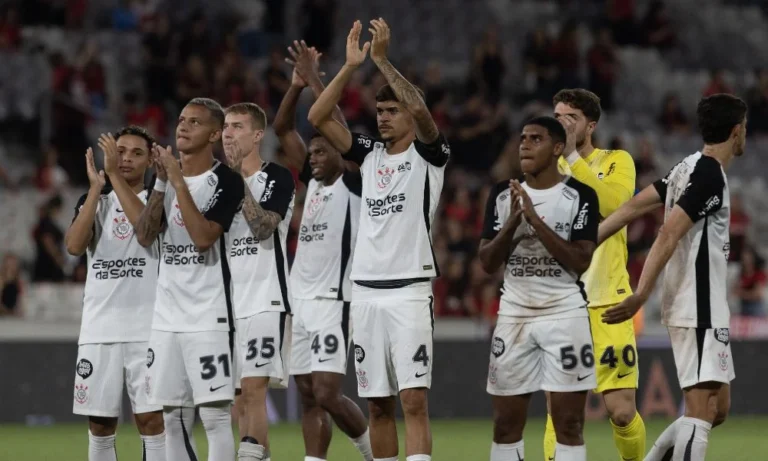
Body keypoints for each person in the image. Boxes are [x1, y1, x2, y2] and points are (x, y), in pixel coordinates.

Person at [308, 19, 451, 461]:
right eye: (380, 111)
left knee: (414, 400)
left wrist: (384, 62)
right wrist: (350, 67)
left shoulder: (430, 155)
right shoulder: (369, 155)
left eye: (392, 110)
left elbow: (423, 114)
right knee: (377, 405)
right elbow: (317, 118)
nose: (383, 117)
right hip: (365, 292)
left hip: (409, 291)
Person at [598, 94, 747, 461]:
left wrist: (589, 239)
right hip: (698, 306)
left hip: (702, 306)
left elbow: (634, 206)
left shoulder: (688, 166)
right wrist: (641, 293)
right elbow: (668, 232)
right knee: (700, 410)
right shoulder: (709, 175)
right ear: (736, 131)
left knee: (717, 408)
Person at [274, 40, 373, 461]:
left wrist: (315, 77)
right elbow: (282, 129)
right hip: (300, 302)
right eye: (310, 151)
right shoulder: (313, 183)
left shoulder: (354, 183)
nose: (312, 157)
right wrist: (296, 86)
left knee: (329, 393)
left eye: (321, 150)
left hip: (334, 300)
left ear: (340, 150)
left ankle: (371, 453)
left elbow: (331, 120)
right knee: (308, 394)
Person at [479, 116, 599, 461]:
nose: (525, 145)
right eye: (523, 138)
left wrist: (534, 220)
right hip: (514, 315)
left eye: (536, 139)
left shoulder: (581, 195)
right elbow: (487, 261)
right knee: (504, 426)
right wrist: (513, 222)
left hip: (565, 314)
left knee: (569, 424)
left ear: (558, 148)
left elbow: (581, 259)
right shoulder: (502, 195)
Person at [136, 98, 245, 461]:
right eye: (181, 119)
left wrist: (176, 180)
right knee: (173, 419)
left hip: (209, 315)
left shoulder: (227, 181)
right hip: (166, 317)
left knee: (214, 418)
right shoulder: (163, 179)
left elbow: (202, 237)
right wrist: (160, 183)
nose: (183, 126)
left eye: (195, 122)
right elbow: (145, 236)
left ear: (215, 134)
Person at [543, 88, 645, 461]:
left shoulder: (617, 161)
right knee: (561, 415)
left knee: (622, 412)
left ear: (591, 125)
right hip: (561, 305)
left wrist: (571, 156)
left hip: (609, 304)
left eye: (571, 118)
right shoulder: (545, 169)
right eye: (557, 117)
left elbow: (614, 205)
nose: (562, 124)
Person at [65, 127, 165, 461]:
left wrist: (113, 178)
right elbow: (74, 246)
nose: (126, 159)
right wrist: (96, 188)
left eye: (137, 153)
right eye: (120, 151)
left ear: (150, 160)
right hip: (99, 327)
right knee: (100, 423)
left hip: (147, 328)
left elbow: (146, 232)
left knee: (151, 419)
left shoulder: (158, 200)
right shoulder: (93, 201)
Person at [221, 101, 296, 461]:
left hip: (266, 299)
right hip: (227, 305)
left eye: (237, 126)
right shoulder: (216, 184)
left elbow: (263, 227)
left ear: (257, 135)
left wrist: (237, 178)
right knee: (238, 400)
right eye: (225, 127)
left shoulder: (278, 177)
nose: (228, 134)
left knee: (253, 391)